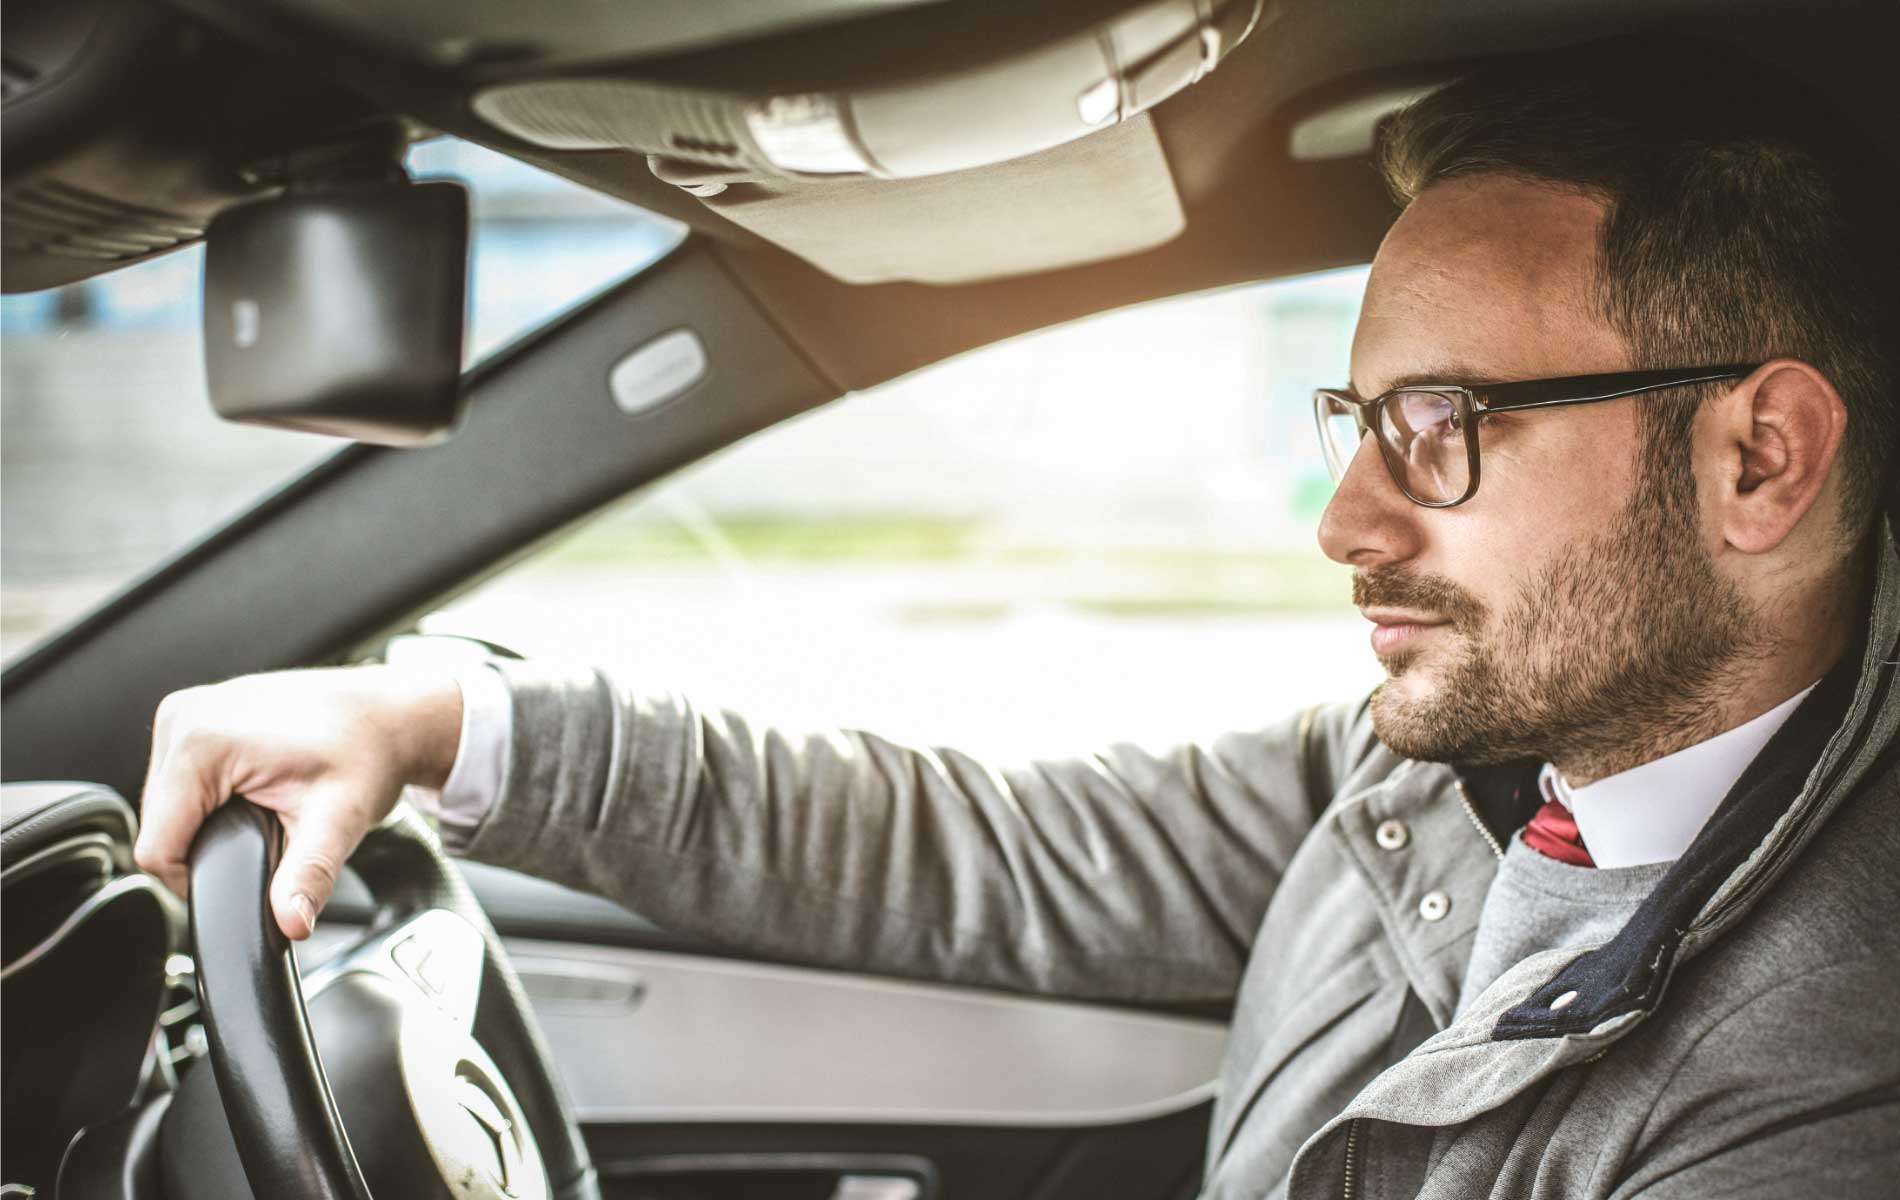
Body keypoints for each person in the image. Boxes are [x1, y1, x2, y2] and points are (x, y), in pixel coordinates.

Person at [134, 37, 1899, 1199]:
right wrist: (440, 727)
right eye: (1358, 426)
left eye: (1442, 431)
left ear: (1761, 459)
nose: (1348, 522)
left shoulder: (1822, 1091)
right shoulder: (1463, 765)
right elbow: (989, 846)